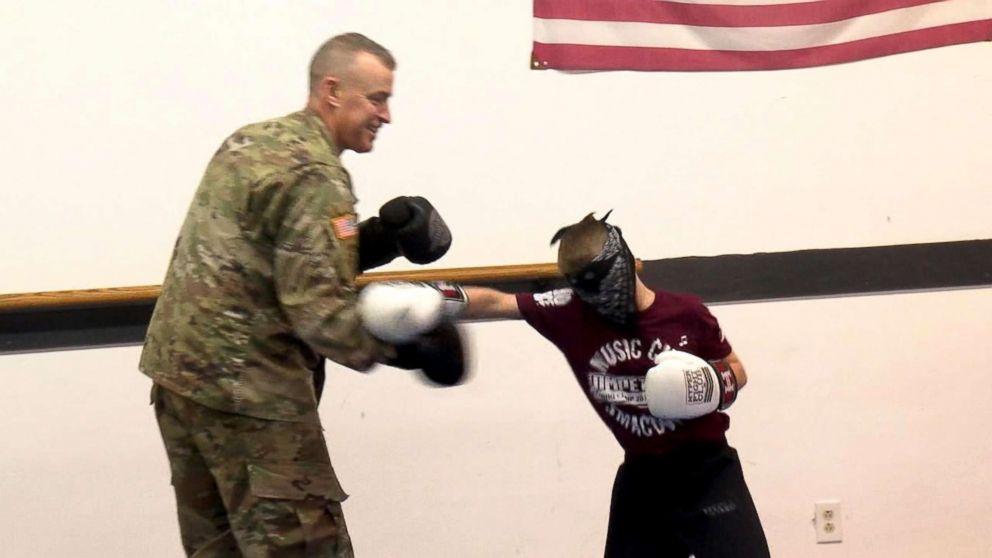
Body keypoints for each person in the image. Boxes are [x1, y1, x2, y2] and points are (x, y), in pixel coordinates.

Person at [140, 33, 465, 557]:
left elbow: (268, 258)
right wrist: (409, 345)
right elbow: (317, 312)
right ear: (332, 90)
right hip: (254, 397)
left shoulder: (251, 141)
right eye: (377, 98)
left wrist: (378, 239)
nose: (386, 115)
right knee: (306, 548)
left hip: (183, 385)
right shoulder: (317, 175)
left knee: (218, 549)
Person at [459, 211, 771, 558]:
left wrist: (710, 384)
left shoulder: (686, 313)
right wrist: (428, 301)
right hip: (643, 475)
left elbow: (737, 369)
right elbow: (497, 302)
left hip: (707, 471)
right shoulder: (570, 312)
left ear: (627, 266)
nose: (600, 303)